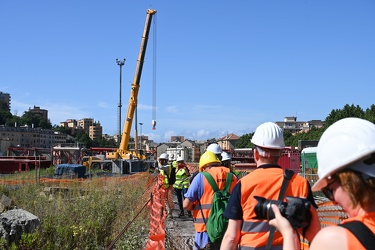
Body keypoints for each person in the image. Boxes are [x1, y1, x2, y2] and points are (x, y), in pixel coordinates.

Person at [269, 117, 375, 250]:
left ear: (349, 181)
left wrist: (290, 235)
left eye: (329, 190)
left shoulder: (336, 239)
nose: (334, 201)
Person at [221, 122, 320, 249]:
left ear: (255, 154)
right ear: (280, 153)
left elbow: (231, 237)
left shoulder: (243, 185)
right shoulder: (301, 183)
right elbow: (313, 232)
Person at [183, 151, 238, 250]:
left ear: (204, 166)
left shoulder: (201, 177)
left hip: (206, 229)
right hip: (229, 229)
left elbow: (186, 205)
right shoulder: (232, 176)